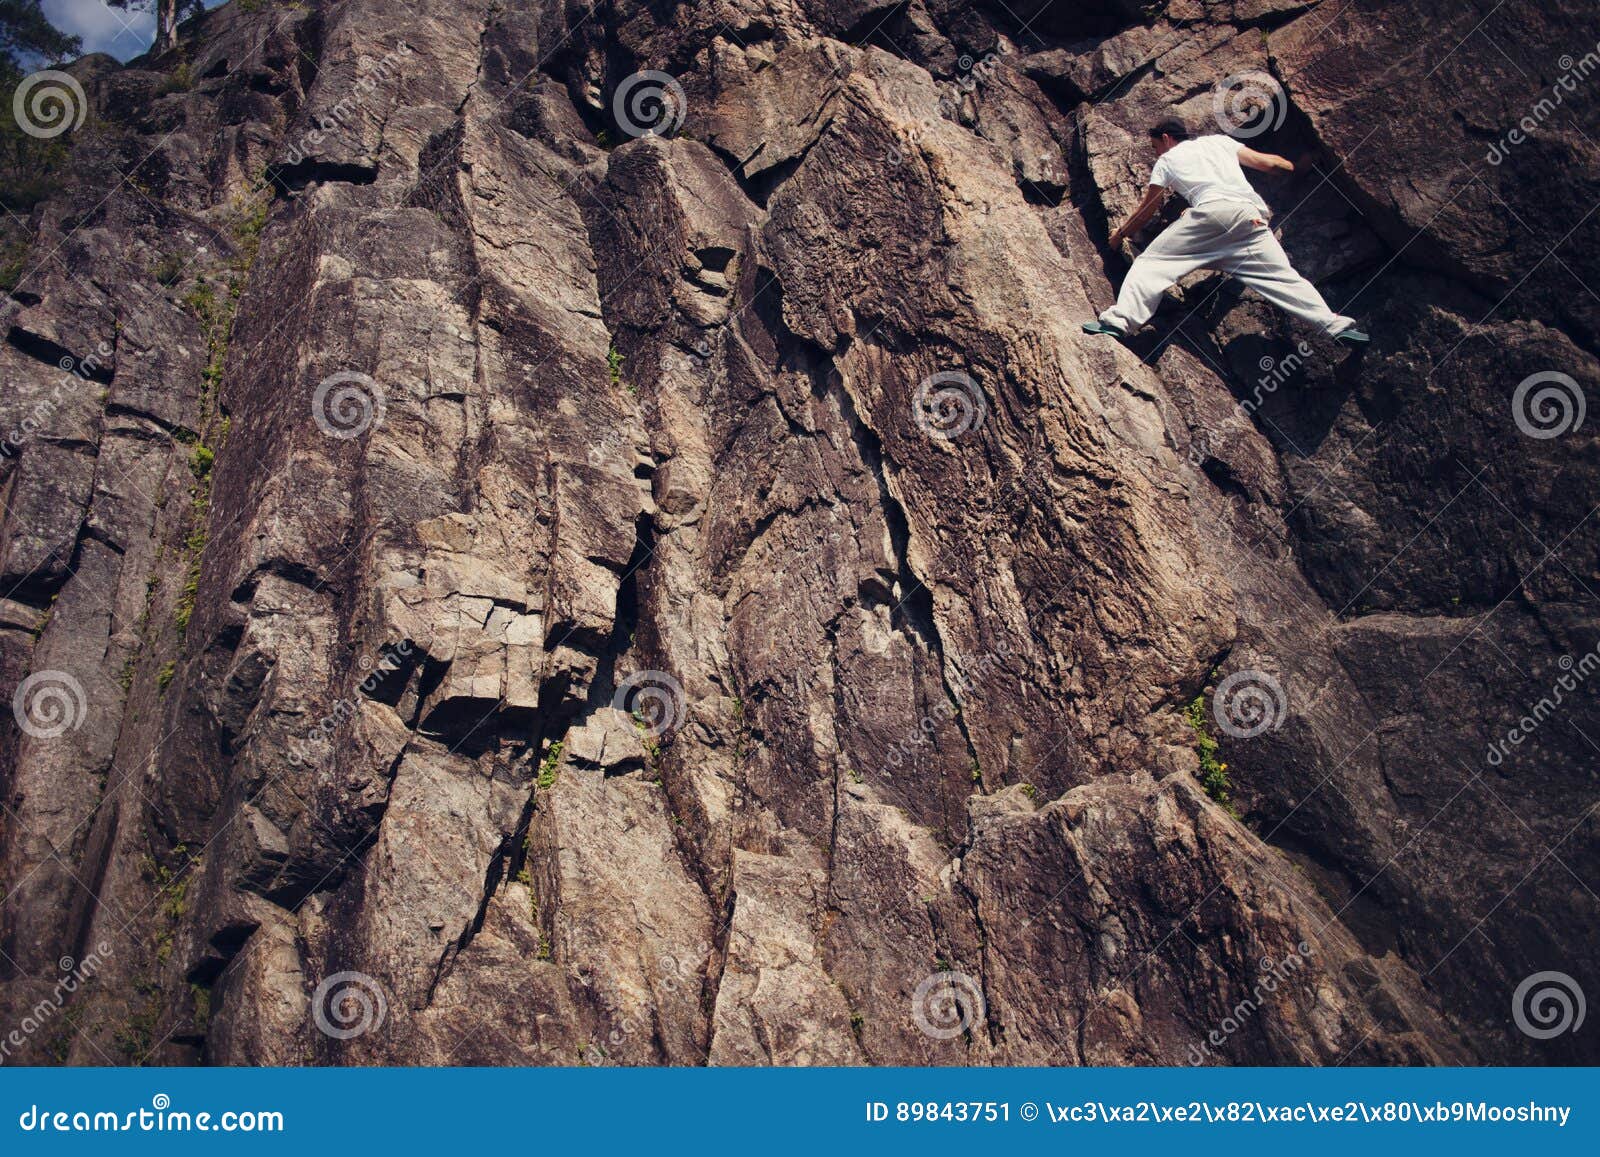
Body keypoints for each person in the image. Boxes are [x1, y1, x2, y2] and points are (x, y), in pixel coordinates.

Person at [1082, 119, 1368, 344]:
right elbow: (1269, 164)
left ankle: (1118, 322)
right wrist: (1297, 167)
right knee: (1285, 279)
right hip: (1251, 219)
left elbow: (1148, 209)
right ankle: (1336, 326)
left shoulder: (1167, 160)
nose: (1157, 152)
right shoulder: (1219, 142)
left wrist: (1120, 234)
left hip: (1211, 213)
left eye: (1156, 146)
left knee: (1152, 264)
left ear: (1167, 139)